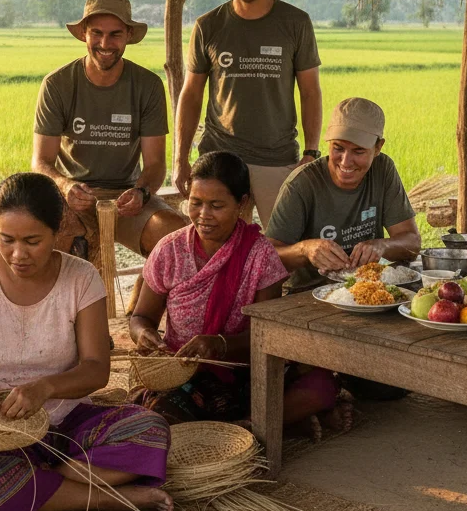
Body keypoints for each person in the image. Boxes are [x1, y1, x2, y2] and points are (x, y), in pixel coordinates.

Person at [0, 173, 172, 511]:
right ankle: (108, 497)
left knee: (151, 430)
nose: (18, 254)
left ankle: (36, 485)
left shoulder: (81, 278)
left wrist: (45, 388)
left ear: (57, 233)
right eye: (6, 239)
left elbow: (96, 369)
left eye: (32, 241)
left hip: (66, 426)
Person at [128, 151, 342, 433]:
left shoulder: (260, 254)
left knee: (320, 386)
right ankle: (259, 426)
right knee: (160, 415)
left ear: (242, 203)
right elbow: (141, 318)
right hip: (183, 375)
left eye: (216, 205)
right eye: (196, 203)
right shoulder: (170, 251)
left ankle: (239, 428)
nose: (203, 215)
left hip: (245, 373)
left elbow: (265, 335)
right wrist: (145, 335)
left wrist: (220, 344)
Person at [173, 0, 323, 223]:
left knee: (283, 241)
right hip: (219, 157)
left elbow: (310, 91)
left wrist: (311, 152)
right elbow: (190, 94)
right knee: (217, 240)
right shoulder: (208, 25)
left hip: (277, 157)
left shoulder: (295, 22)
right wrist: (180, 159)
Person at [32, 0, 186, 258]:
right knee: (57, 244)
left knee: (176, 238)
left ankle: (144, 287)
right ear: (84, 33)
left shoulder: (147, 85)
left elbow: (155, 164)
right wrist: (65, 186)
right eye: (96, 33)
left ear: (128, 35)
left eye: (115, 34)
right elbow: (41, 162)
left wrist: (141, 192)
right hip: (72, 197)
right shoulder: (57, 84)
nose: (105, 43)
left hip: (125, 198)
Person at [266, 98, 421, 294]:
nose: (346, 161)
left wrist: (382, 246)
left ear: (378, 147)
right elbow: (268, 257)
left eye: (358, 151)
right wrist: (305, 250)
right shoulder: (301, 184)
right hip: (307, 293)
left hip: (365, 289)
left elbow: (412, 242)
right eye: (338, 148)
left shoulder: (383, 169)